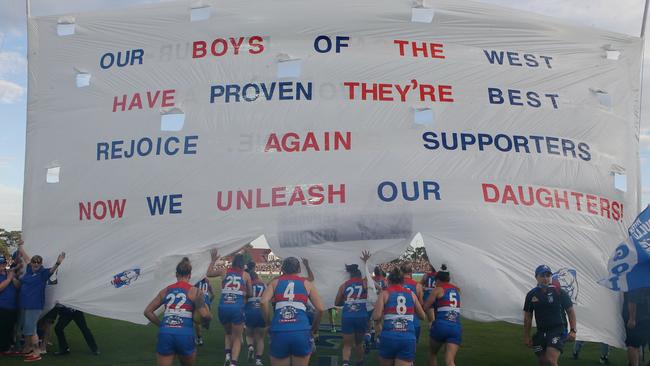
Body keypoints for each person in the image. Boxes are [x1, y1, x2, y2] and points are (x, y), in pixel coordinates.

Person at [144, 257, 212, 366]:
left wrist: (162, 325)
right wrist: (209, 317)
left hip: (165, 332)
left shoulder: (165, 290)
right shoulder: (195, 291)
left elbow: (147, 312)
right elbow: (204, 315)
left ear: (176, 274)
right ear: (190, 275)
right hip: (184, 333)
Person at [260, 257, 324, 366]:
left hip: (279, 329)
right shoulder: (306, 283)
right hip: (301, 330)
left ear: (283, 269)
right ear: (298, 269)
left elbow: (263, 302)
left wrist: (268, 323)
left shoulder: (275, 282)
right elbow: (320, 309)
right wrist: (314, 329)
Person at [14, 240, 65, 362]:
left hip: (34, 306)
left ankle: (36, 352)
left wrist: (58, 263)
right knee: (26, 329)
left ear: (41, 264)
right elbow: (26, 257)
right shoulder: (30, 269)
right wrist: (20, 246)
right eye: (34, 262)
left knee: (31, 329)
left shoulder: (43, 273)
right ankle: (28, 348)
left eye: (38, 262)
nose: (35, 264)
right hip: (25, 305)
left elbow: (52, 270)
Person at [523, 265, 576, 366]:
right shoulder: (531, 295)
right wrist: (526, 336)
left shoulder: (559, 292)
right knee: (543, 362)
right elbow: (528, 317)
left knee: (551, 360)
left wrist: (573, 330)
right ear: (536, 277)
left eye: (548, 275)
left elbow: (570, 311)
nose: (545, 278)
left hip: (558, 330)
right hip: (541, 332)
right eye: (542, 276)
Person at [372, 267, 426, 366]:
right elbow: (422, 316)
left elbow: (376, 317)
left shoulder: (384, 293)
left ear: (389, 280)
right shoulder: (411, 294)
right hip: (407, 337)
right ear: (402, 281)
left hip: (389, 336)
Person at [207, 250, 252, 366]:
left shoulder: (224, 271)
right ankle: (233, 363)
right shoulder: (246, 275)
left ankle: (227, 355)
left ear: (233, 262)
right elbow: (251, 294)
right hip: (237, 307)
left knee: (228, 333)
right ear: (243, 264)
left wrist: (213, 260)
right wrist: (243, 293)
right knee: (237, 337)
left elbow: (209, 273)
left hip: (223, 306)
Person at [335, 251, 371, 366]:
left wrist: (346, 302)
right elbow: (369, 277)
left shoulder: (344, 285)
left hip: (348, 316)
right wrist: (366, 262)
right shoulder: (364, 283)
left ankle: (345, 363)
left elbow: (336, 302)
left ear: (350, 275)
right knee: (359, 343)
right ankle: (359, 363)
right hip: (361, 316)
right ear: (359, 275)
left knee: (347, 345)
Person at [424, 264, 461, 366]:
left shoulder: (438, 289)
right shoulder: (457, 290)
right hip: (456, 326)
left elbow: (426, 306)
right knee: (450, 361)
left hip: (441, 324)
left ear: (438, 280)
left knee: (432, 353)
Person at [244, 261, 267, 366]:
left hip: (249, 310)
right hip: (261, 312)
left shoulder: (247, 284)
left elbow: (244, 299)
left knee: (249, 334)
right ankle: (258, 360)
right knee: (260, 338)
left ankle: (250, 347)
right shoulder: (263, 284)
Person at [624, 287, 650, 366]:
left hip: (639, 319)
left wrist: (632, 318)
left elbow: (632, 300)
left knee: (633, 345)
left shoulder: (634, 279)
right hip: (645, 316)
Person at [401, 263, 424, 343]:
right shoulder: (417, 285)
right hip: (413, 318)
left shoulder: (395, 284)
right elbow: (420, 303)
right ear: (411, 273)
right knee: (411, 346)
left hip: (397, 317)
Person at [0, 254, 19, 354]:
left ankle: (7, 347)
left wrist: (12, 278)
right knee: (2, 328)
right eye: (0, 264)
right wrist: (8, 279)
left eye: (3, 263)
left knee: (9, 328)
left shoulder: (9, 274)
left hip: (12, 307)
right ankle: (4, 348)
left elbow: (18, 287)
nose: (2, 265)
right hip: (2, 306)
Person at [192, 275, 214, 346]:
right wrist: (209, 302)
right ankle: (206, 321)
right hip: (206, 302)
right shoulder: (207, 281)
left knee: (196, 322)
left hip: (198, 302)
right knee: (204, 318)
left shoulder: (195, 281)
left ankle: (199, 339)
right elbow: (213, 294)